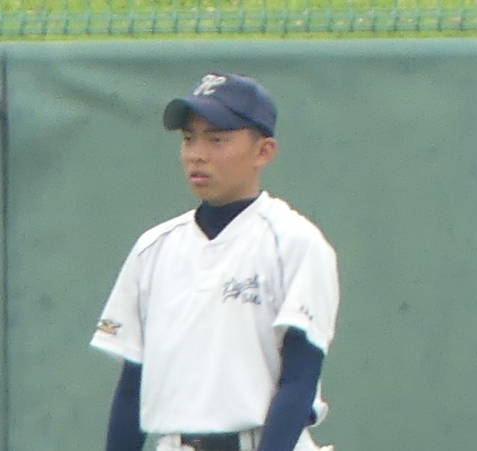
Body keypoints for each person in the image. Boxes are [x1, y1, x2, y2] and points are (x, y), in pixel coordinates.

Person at [89, 71, 340, 451]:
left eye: (217, 139)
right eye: (188, 138)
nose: (197, 153)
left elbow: (299, 379)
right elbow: (132, 387)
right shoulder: (153, 248)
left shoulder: (294, 242)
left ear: (263, 151)